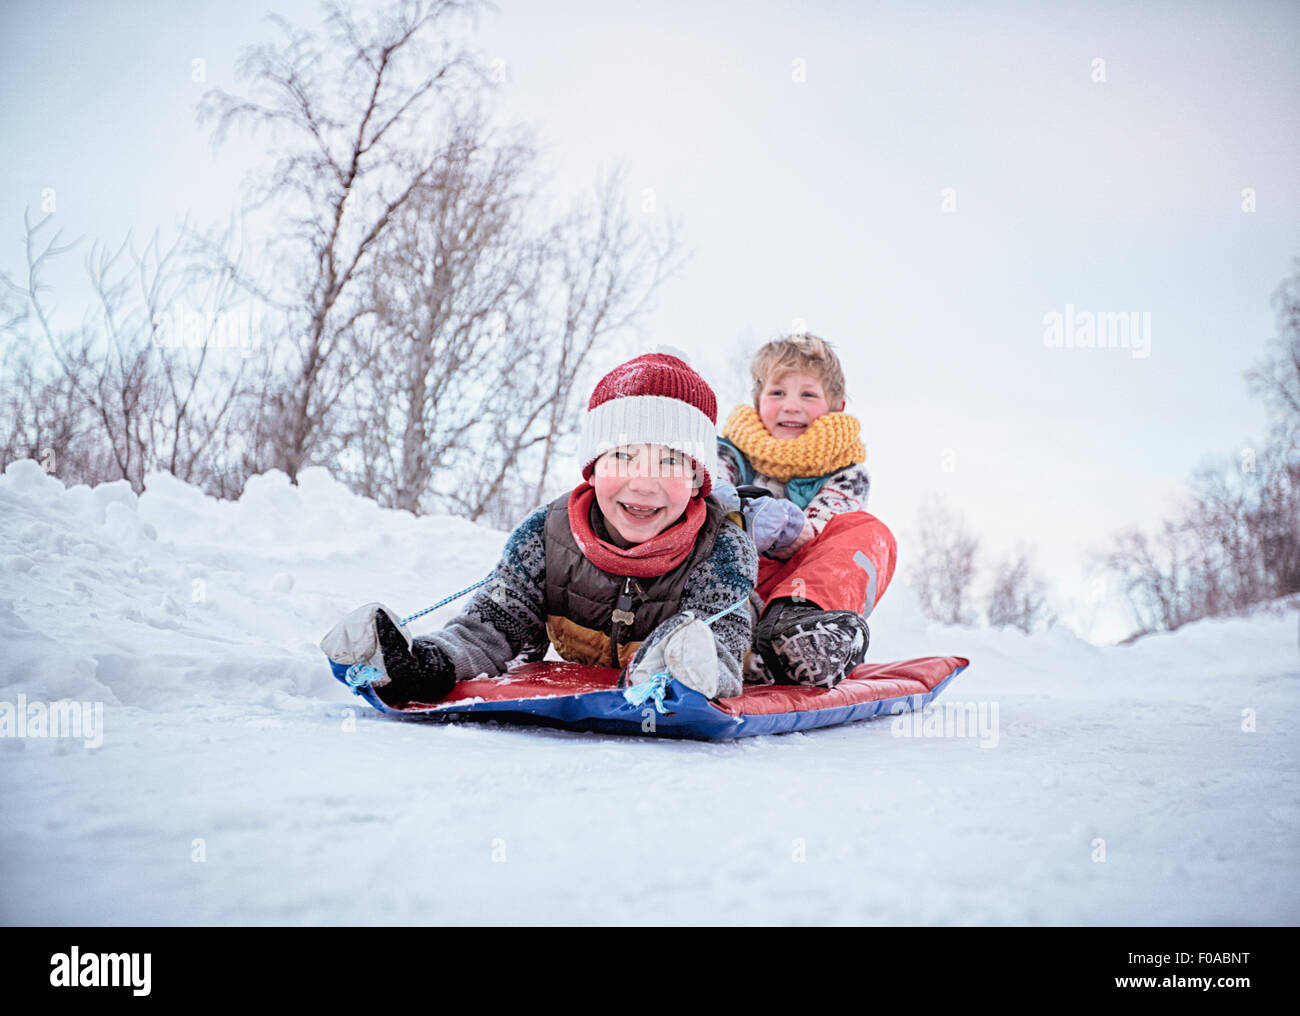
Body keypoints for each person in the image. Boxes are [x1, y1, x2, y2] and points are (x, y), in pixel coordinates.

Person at [321, 352, 758, 705]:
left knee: (714, 638)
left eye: (670, 462)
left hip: (688, 654)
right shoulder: (547, 535)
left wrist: (685, 669)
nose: (643, 483)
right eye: (622, 457)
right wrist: (428, 666)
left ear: (699, 480)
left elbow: (720, 639)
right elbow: (492, 624)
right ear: (592, 469)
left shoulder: (721, 548)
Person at [717, 333, 897, 687]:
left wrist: (783, 527)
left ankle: (800, 632)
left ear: (836, 406)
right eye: (777, 392)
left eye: (808, 394)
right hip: (731, 579)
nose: (791, 406)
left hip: (798, 583)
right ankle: (730, 632)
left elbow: (817, 535)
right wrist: (747, 512)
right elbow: (715, 494)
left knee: (870, 533)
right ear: (757, 401)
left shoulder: (847, 471)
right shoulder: (729, 453)